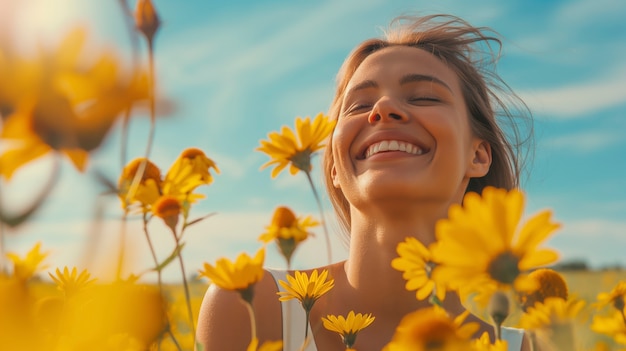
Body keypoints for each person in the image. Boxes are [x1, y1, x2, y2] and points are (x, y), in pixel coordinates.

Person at [196, 14, 533, 351]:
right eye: (359, 104)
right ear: (333, 167)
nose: (383, 108)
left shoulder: (528, 346)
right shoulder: (248, 305)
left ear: (478, 156)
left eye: (423, 97)